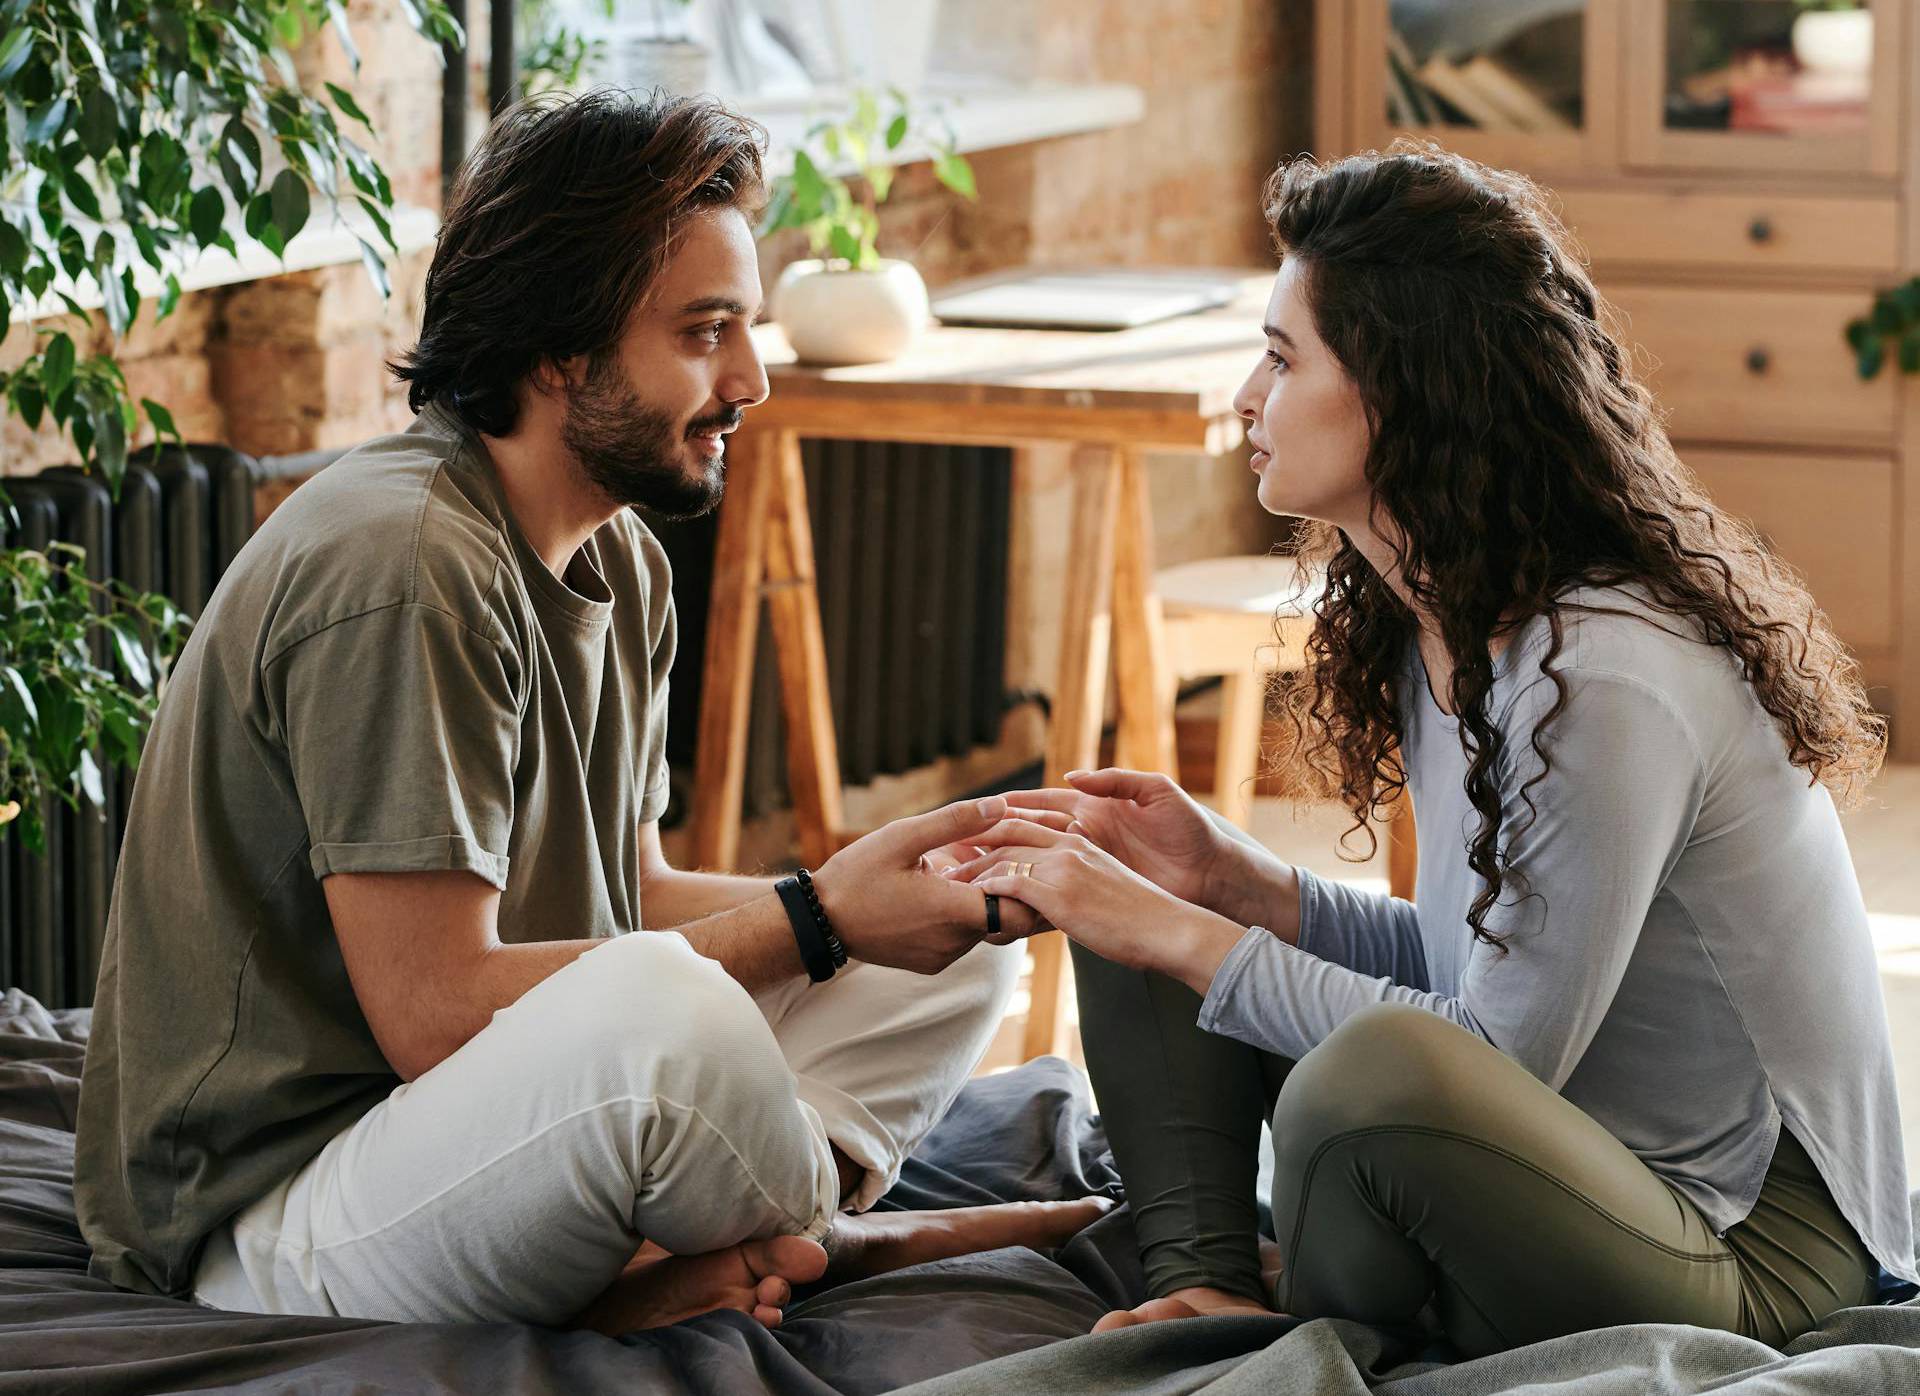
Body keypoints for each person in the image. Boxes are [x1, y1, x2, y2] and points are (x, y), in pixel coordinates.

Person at [74, 89, 1104, 1334]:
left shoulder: (621, 559)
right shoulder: (406, 565)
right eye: (706, 332)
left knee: (951, 941)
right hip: (272, 1210)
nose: (750, 379)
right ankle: (829, 1236)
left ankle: (743, 1241)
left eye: (746, 328)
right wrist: (819, 916)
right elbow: (435, 1012)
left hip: (473, 1128)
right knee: (671, 1007)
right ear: (559, 349)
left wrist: (877, 895)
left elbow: (631, 891)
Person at [946, 142, 1917, 1356]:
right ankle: (1206, 1287)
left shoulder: (1601, 673)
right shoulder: (1447, 617)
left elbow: (1489, 1056)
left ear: (1405, 390)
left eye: (1282, 358)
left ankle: (1302, 1291)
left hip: (1747, 1245)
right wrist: (1234, 886)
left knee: (1355, 1066)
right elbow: (1484, 976)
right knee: (1142, 882)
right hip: (1572, 1165)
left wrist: (1186, 935)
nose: (1246, 396)